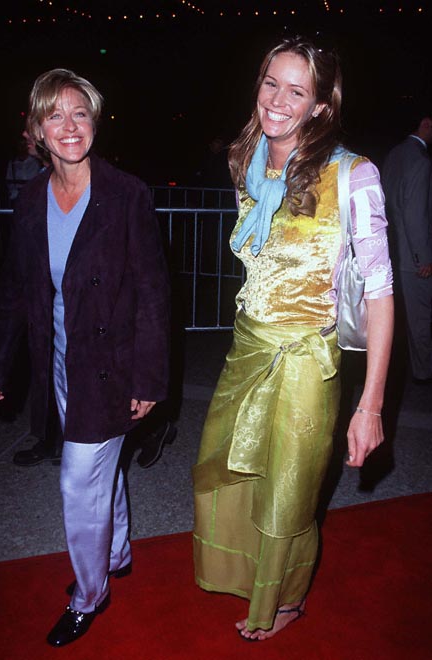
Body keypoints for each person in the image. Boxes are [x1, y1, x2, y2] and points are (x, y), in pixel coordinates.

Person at [193, 37, 394, 642]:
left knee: (290, 490)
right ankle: (248, 574)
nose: (278, 100)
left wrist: (372, 405)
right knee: (223, 472)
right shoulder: (245, 161)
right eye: (270, 83)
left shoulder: (354, 174)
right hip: (246, 349)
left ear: (320, 106)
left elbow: (381, 294)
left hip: (308, 361)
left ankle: (284, 601)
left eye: (297, 90)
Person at [0, 68, 170, 647]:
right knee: (97, 469)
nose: (69, 125)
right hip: (58, 362)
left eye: (80, 112)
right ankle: (115, 553)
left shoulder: (126, 194)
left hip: (110, 367)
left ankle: (91, 594)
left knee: (77, 480)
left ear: (95, 121)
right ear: (37, 128)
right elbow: (18, 290)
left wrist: (149, 377)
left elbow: (153, 294)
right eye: (55, 114)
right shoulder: (30, 199)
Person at [381, 113, 432, 381]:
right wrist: (422, 257)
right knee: (421, 319)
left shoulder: (394, 155)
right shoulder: (420, 161)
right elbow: (416, 215)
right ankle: (424, 375)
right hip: (413, 259)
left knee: (403, 319)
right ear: (425, 123)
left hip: (392, 251)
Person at [5, 130, 47, 203]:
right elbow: (9, 181)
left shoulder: (36, 162)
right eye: (20, 145)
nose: (22, 147)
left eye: (24, 145)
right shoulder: (13, 163)